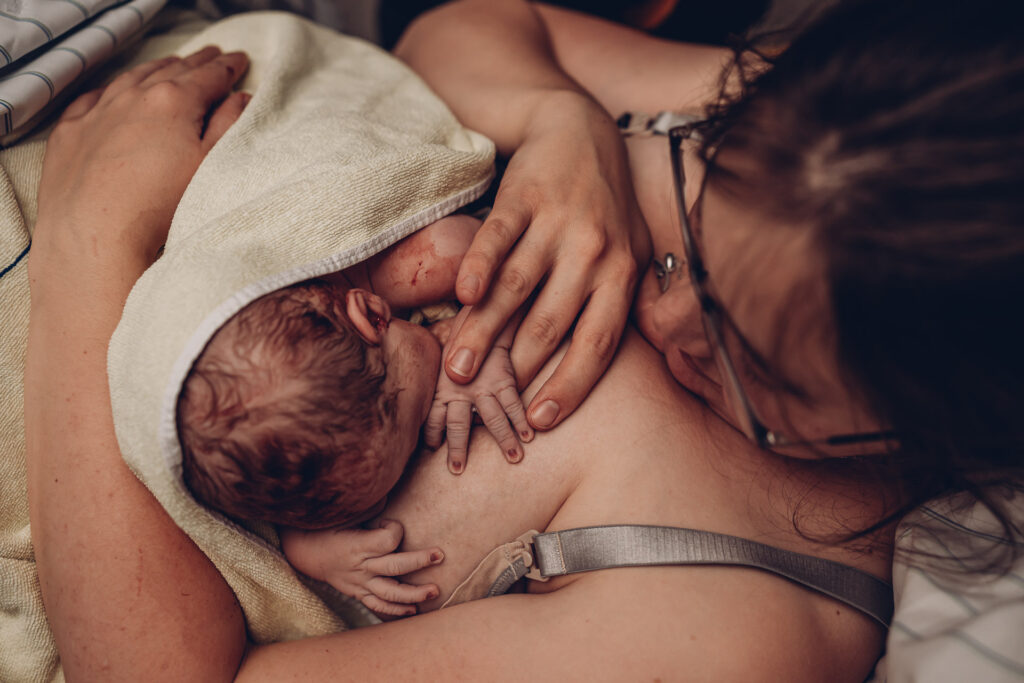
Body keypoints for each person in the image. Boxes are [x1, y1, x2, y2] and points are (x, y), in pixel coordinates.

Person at [23, 1, 1023, 682]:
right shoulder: (846, 148)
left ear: (940, 423)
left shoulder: (724, 622)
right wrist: (564, 127)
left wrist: (93, 237)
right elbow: (470, 28)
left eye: (753, 368)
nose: (662, 309)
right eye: (687, 237)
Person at [178, 212, 532, 615]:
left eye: (417, 420)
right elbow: (293, 515)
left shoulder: (427, 260)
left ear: (375, 316)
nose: (430, 424)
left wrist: (478, 340)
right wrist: (315, 553)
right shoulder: (292, 448)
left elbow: (517, 252)